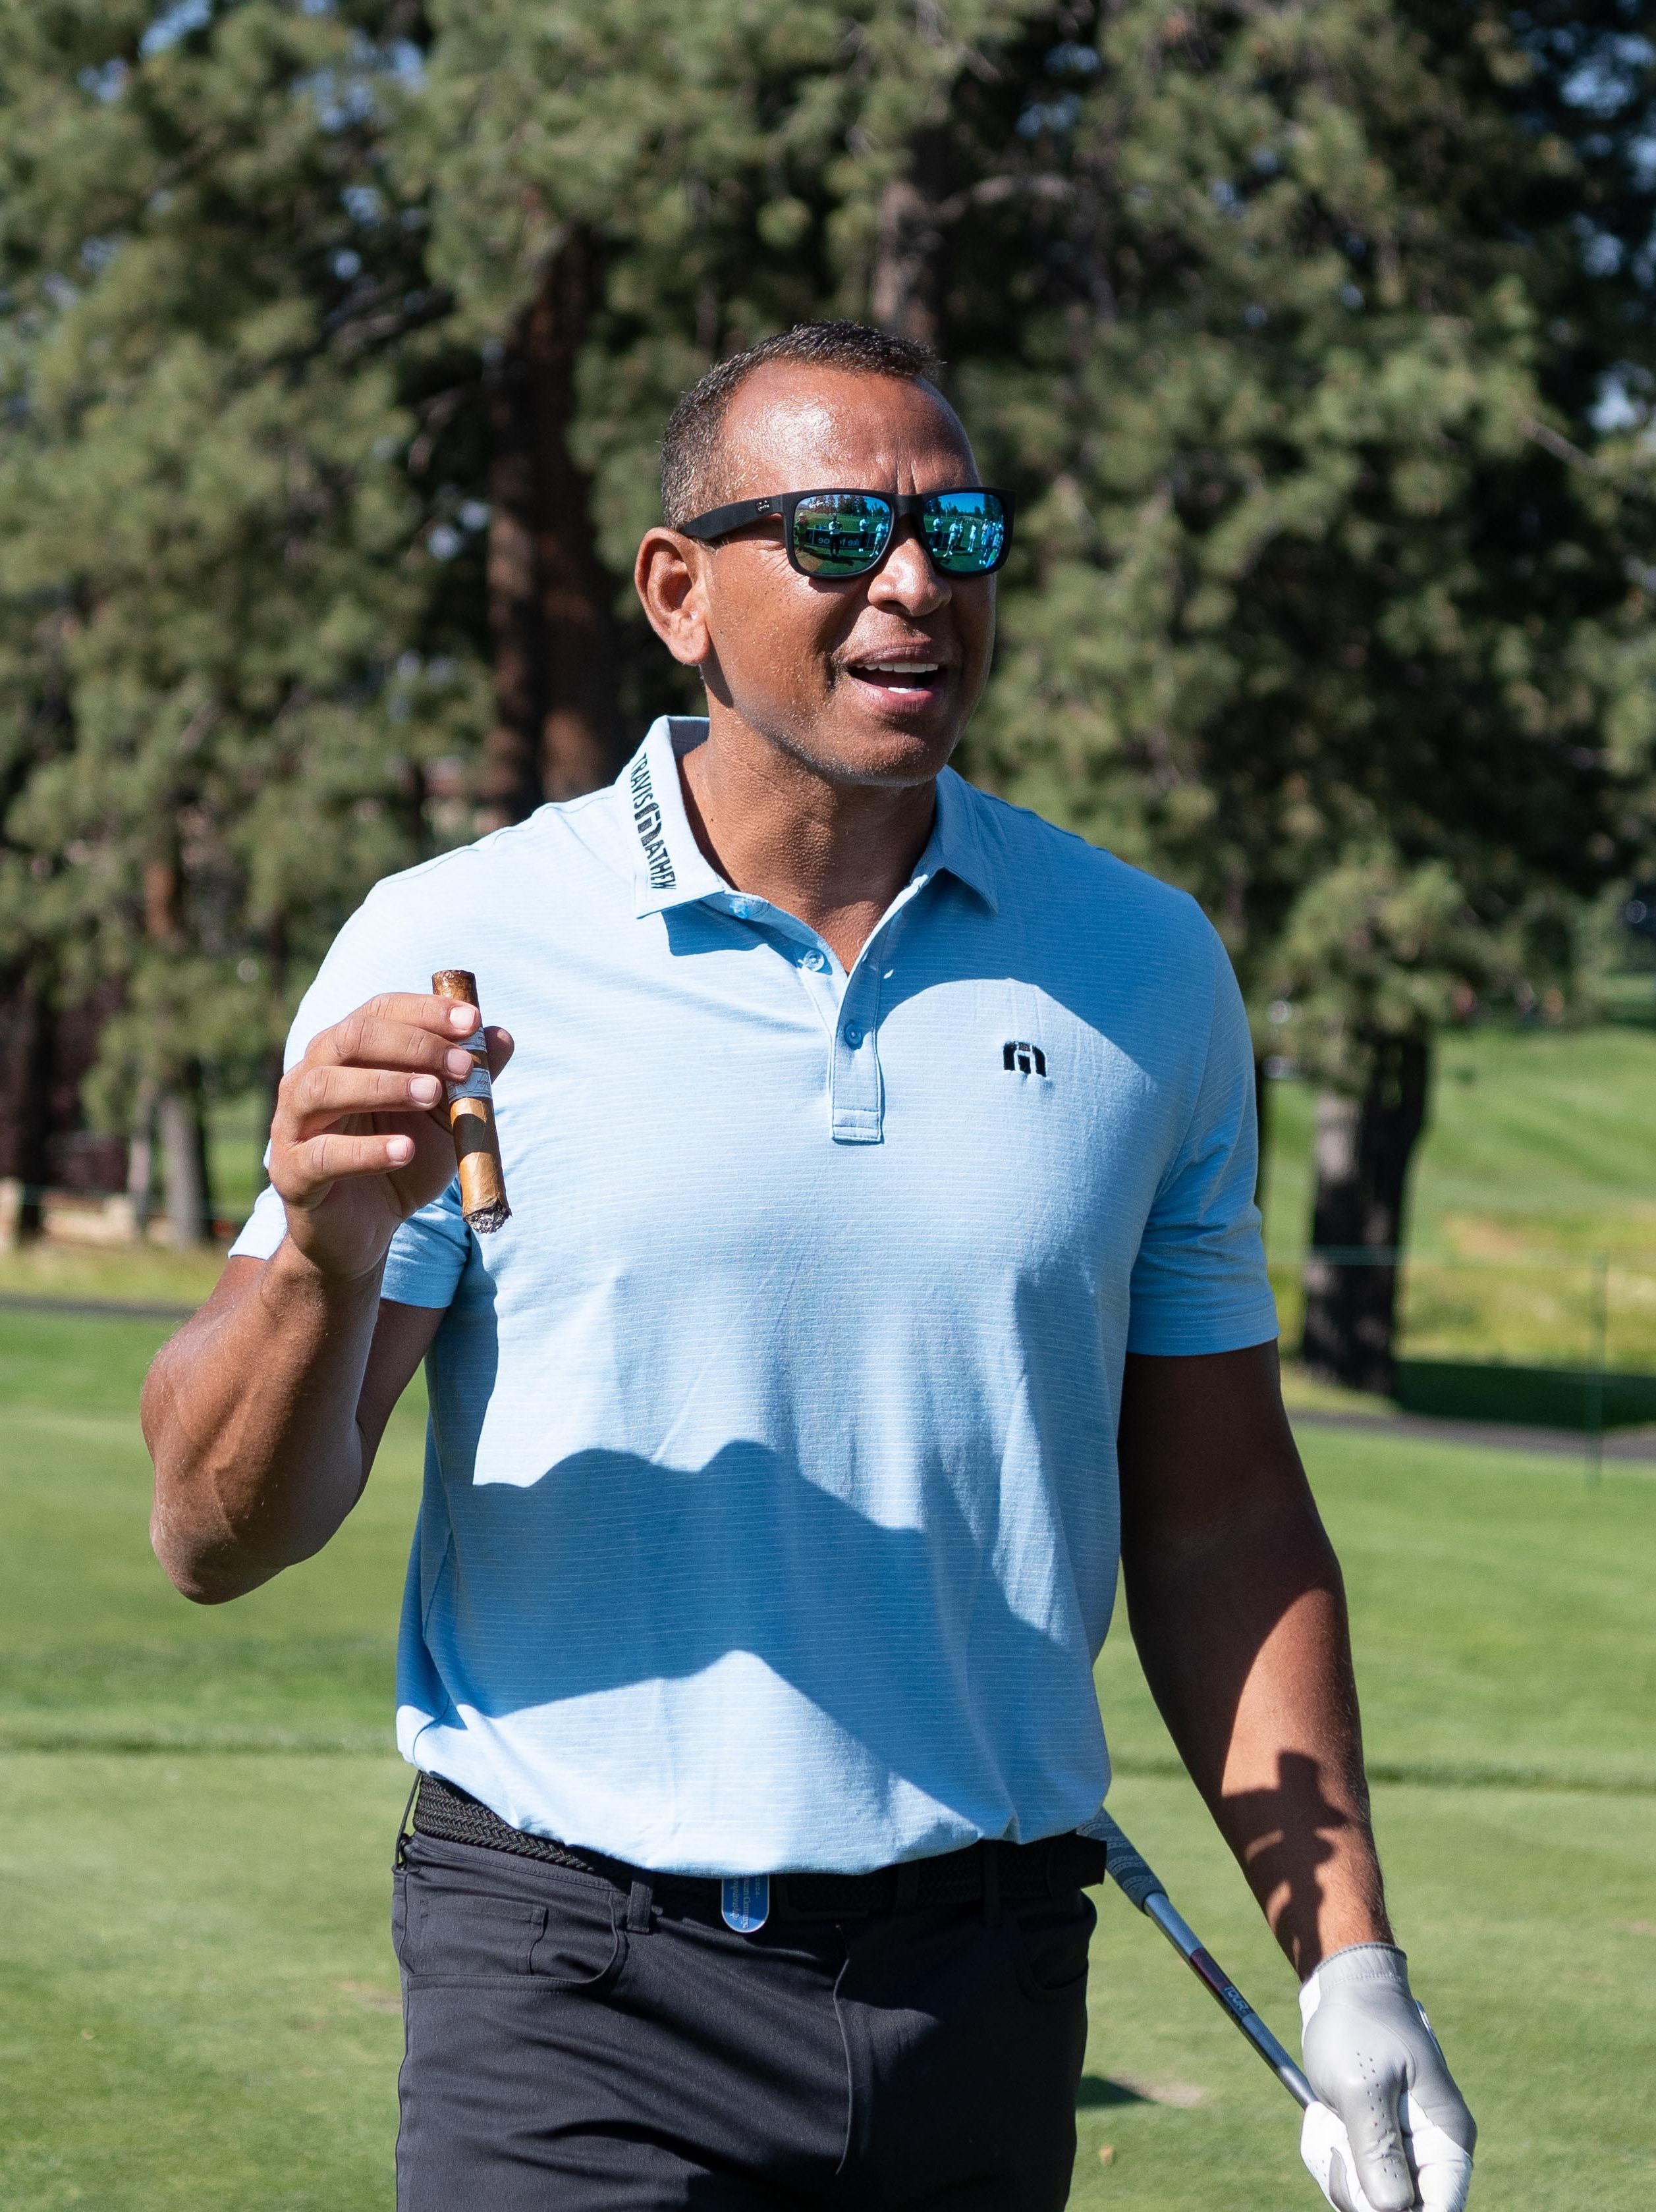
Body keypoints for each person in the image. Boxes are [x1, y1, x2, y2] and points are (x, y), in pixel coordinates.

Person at [142, 321, 1475, 2212]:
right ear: (678, 592)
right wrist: (323, 1271)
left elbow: (1219, 1518)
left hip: (986, 1986)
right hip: (572, 1981)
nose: (915, 584)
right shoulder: (453, 948)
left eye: (962, 533)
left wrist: (1347, 1967)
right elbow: (214, 1535)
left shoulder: (1142, 966)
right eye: (840, 534)